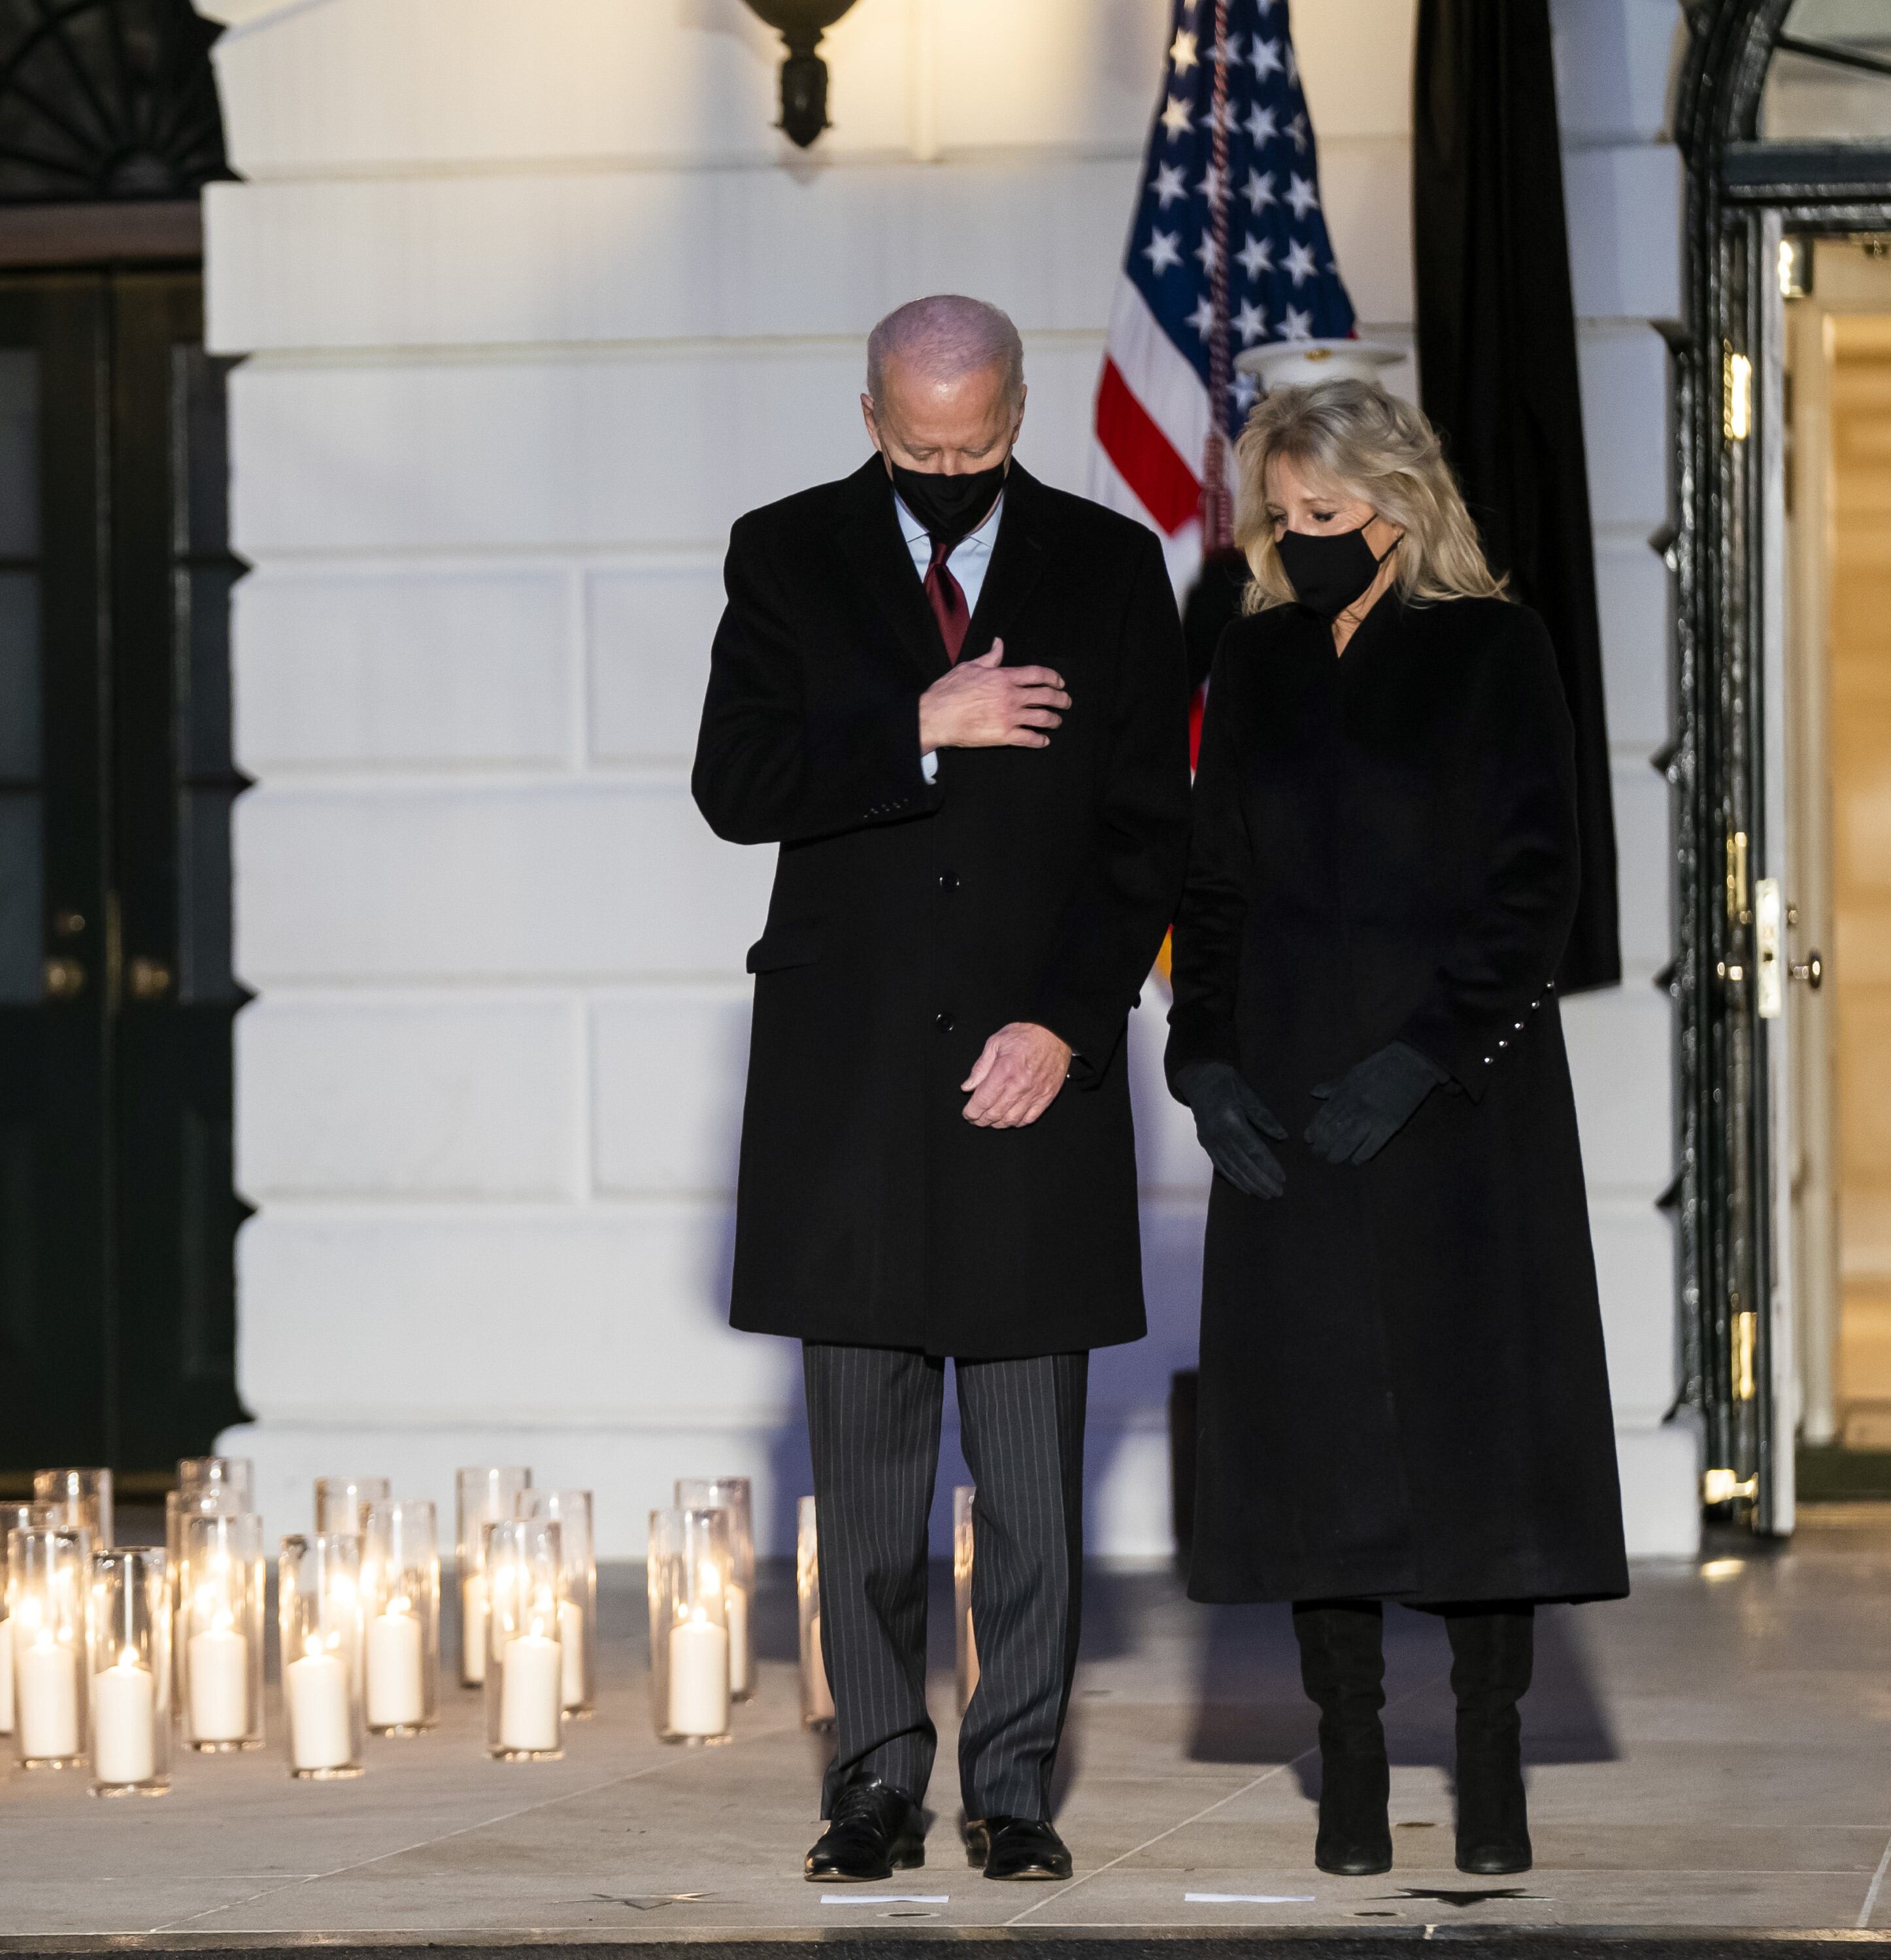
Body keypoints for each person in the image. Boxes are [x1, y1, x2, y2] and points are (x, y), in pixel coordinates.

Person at [692, 295, 1189, 1884]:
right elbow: (735, 783)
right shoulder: (783, 554)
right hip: (850, 1099)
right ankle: (873, 1783)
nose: (951, 470)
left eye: (978, 447)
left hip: (1030, 1082)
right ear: (868, 417)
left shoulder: (1110, 571)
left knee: (1035, 1492)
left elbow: (1146, 839)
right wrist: (919, 720)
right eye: (921, 449)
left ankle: (1016, 1783)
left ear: (1021, 412)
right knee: (869, 1484)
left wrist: (1067, 1023)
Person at [1164, 378, 1627, 1880]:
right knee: (1319, 1449)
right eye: (1281, 520)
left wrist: (1423, 1059)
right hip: (1291, 1111)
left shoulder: (1496, 649)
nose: (1303, 544)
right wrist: (1204, 1060)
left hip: (1458, 1115)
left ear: (1403, 508)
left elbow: (1537, 886)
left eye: (1331, 517)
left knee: (1472, 1446)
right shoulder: (1255, 663)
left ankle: (1490, 1757)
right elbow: (1214, 886)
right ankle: (1349, 1758)